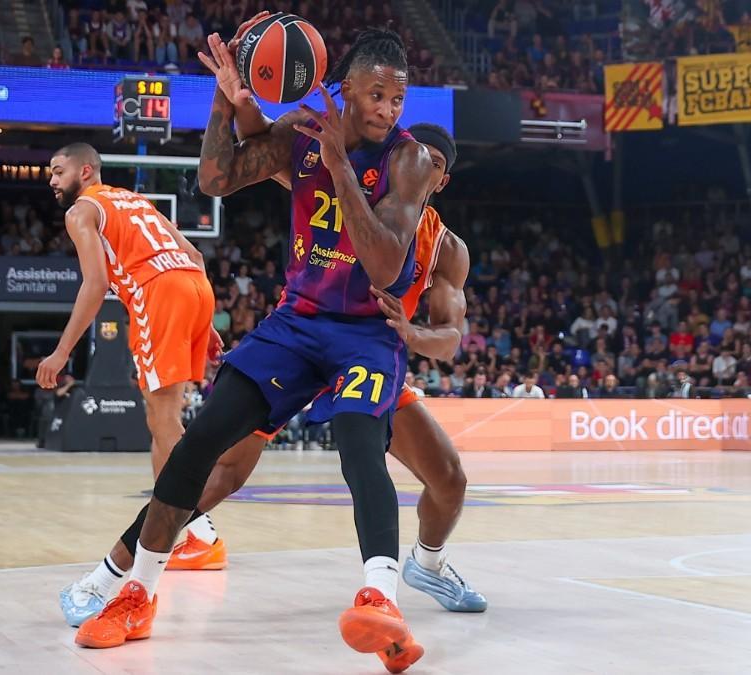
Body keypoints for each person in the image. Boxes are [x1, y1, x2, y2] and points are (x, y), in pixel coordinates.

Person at [75, 25, 435, 672]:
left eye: (397, 99)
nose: (387, 109)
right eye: (376, 95)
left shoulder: (409, 160)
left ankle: (381, 598)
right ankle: (136, 593)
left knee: (359, 444)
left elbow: (384, 267)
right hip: (297, 323)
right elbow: (217, 178)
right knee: (200, 440)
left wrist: (339, 164)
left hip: (365, 332)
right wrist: (224, 99)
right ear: (343, 88)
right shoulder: (300, 131)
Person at [60, 123, 487, 634]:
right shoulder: (351, 186)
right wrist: (243, 107)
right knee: (221, 474)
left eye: (430, 163)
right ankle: (104, 577)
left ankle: (428, 564)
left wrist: (414, 334)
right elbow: (274, 158)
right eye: (407, 154)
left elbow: (450, 338)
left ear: (439, 179)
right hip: (301, 344)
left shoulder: (444, 247)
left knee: (450, 478)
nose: (412, 166)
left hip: (368, 353)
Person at [40, 141, 226, 566]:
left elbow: (95, 284)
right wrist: (206, 323)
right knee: (160, 419)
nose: (52, 180)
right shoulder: (135, 200)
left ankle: (201, 534)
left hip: (157, 292)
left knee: (164, 420)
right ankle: (175, 533)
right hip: (196, 288)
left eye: (57, 171)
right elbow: (194, 254)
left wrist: (62, 351)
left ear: (85, 171)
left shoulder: (81, 210)